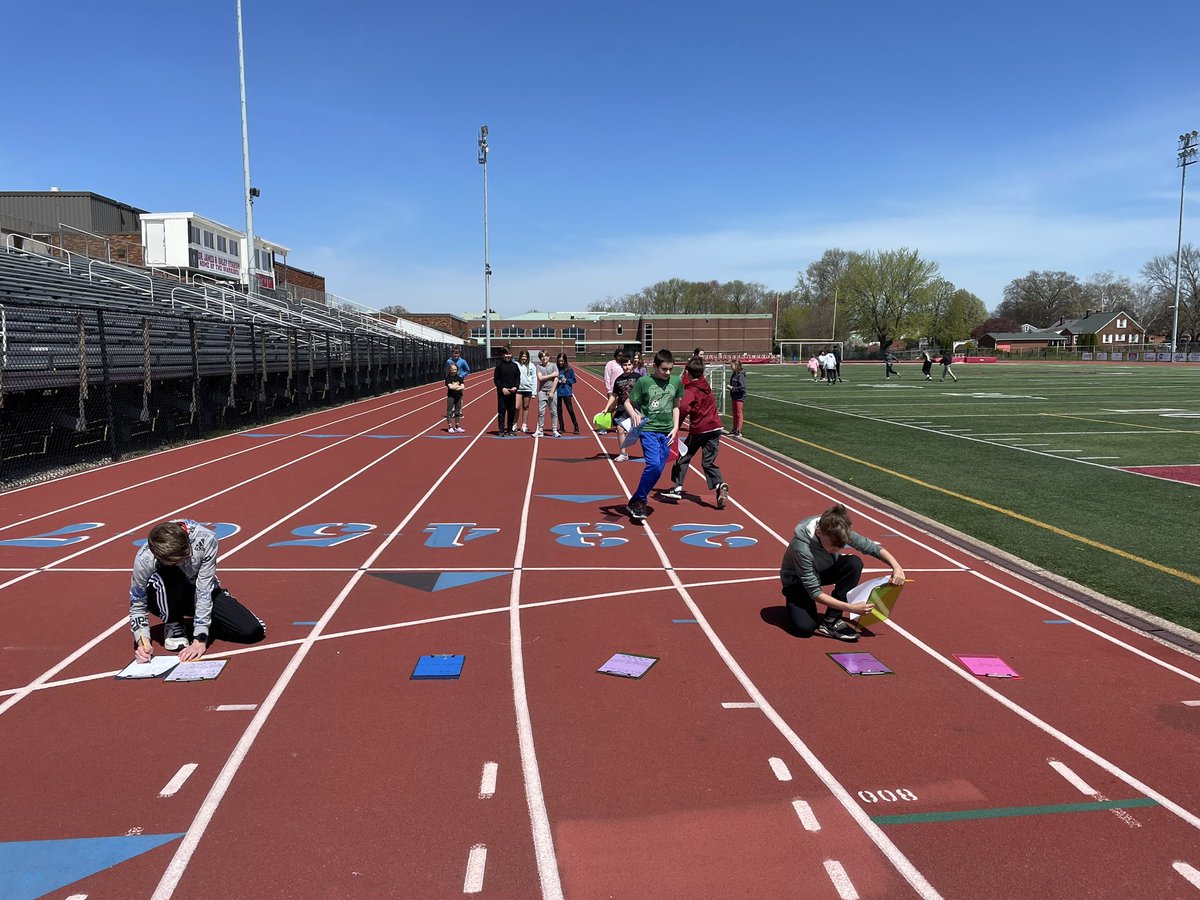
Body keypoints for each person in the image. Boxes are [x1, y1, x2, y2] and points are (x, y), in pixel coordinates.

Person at [129, 520, 265, 662]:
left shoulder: (206, 539)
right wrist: (142, 642)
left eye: (185, 558)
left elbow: (204, 590)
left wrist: (199, 640)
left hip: (199, 589)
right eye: (176, 562)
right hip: (165, 593)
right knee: (169, 574)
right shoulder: (144, 558)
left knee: (252, 632)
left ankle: (205, 622)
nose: (182, 564)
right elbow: (137, 604)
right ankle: (173, 622)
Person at [779, 503, 905, 643]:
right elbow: (814, 592)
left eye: (841, 547)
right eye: (834, 547)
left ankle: (831, 620)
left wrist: (896, 567)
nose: (838, 550)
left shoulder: (837, 529)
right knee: (804, 629)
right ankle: (798, 605)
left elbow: (871, 547)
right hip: (798, 583)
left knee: (853, 563)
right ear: (819, 532)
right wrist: (852, 608)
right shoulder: (802, 548)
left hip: (822, 571)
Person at [622, 349, 683, 523]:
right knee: (654, 465)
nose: (668, 372)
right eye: (664, 369)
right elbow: (627, 401)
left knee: (659, 469)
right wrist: (634, 414)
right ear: (655, 366)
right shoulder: (644, 382)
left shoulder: (676, 381)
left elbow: (676, 405)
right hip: (649, 429)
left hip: (668, 431)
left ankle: (635, 500)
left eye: (670, 369)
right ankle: (641, 501)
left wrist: (676, 427)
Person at [662, 357, 729, 509]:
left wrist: (675, 427)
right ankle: (719, 485)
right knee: (708, 461)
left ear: (687, 372)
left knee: (683, 455)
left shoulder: (691, 390)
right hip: (715, 428)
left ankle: (677, 487)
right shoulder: (705, 385)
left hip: (700, 428)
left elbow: (683, 409)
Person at [608, 356, 639, 461]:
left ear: (633, 365)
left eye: (629, 364)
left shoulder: (638, 377)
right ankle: (623, 454)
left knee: (643, 431)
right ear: (621, 366)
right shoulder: (618, 379)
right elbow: (614, 395)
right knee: (620, 428)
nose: (627, 367)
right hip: (622, 407)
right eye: (625, 365)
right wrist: (606, 408)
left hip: (636, 408)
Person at [493, 347, 520, 435]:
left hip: (512, 392)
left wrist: (516, 387)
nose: (507, 356)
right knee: (502, 411)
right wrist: (502, 388)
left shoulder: (515, 365)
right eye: (506, 354)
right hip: (502, 392)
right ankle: (501, 430)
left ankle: (509, 429)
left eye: (509, 354)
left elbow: (517, 378)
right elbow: (496, 379)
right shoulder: (499, 366)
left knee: (511, 411)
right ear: (503, 355)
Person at [535, 351, 560, 437]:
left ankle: (554, 430)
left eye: (545, 356)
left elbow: (556, 379)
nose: (544, 358)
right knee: (541, 411)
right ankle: (540, 430)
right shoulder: (538, 366)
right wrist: (551, 375)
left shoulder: (553, 366)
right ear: (540, 358)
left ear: (548, 357)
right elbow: (540, 378)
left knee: (553, 411)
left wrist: (552, 391)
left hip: (552, 391)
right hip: (542, 391)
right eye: (542, 356)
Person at [555, 352, 580, 434]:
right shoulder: (556, 369)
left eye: (562, 361)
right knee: (559, 410)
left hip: (566, 392)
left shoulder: (569, 370)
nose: (560, 363)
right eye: (559, 361)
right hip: (558, 391)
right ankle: (561, 427)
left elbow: (574, 380)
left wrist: (567, 381)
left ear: (565, 361)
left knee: (570, 409)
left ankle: (576, 426)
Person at [514, 350, 537, 434]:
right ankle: (514, 424)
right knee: (516, 407)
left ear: (528, 357)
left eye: (525, 356)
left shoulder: (532, 366)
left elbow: (534, 378)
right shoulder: (516, 364)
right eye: (522, 356)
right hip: (518, 389)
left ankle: (524, 425)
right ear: (520, 356)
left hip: (528, 389)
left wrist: (534, 392)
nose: (524, 358)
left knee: (526, 407)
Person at [727, 358, 746, 436]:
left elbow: (742, 387)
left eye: (732, 365)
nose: (731, 367)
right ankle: (734, 429)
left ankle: (739, 430)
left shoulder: (740, 375)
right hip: (734, 396)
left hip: (739, 397)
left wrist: (732, 388)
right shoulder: (734, 374)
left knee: (738, 413)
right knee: (734, 414)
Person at [445, 362, 465, 432]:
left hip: (458, 396)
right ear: (450, 370)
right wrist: (458, 387)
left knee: (458, 412)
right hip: (451, 396)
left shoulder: (459, 378)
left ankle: (457, 426)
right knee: (449, 412)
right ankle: (450, 427)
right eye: (452, 369)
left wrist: (455, 387)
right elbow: (450, 387)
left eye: (455, 369)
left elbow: (463, 387)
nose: (454, 371)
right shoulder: (448, 378)